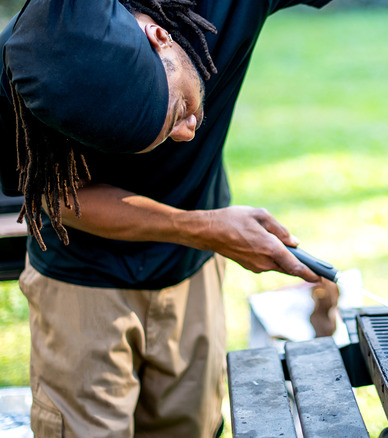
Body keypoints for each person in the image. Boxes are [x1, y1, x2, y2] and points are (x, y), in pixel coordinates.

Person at [0, 0, 331, 436]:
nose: (189, 132)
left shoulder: (222, 5)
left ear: (159, 37)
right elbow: (55, 194)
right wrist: (202, 228)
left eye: (179, 109)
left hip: (191, 277)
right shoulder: (23, 64)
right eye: (177, 120)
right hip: (79, 283)